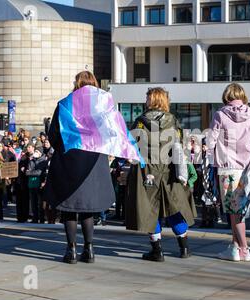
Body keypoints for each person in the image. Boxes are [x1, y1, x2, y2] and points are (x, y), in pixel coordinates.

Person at [45, 71, 120, 264]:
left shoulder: (64, 104)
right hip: (93, 162)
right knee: (87, 208)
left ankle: (71, 251)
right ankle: (89, 249)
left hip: (69, 160)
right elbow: (112, 132)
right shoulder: (102, 106)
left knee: (69, 208)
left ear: (77, 84)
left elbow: (53, 135)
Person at [207, 83, 250, 262]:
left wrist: (207, 159)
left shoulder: (220, 114)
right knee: (237, 209)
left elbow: (211, 140)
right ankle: (234, 247)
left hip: (228, 166)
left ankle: (244, 249)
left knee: (234, 210)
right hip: (247, 166)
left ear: (226, 96)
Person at [126, 87, 197, 262]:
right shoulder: (173, 121)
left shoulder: (140, 122)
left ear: (151, 100)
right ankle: (184, 248)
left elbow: (131, 145)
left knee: (150, 209)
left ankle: (157, 251)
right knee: (174, 207)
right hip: (169, 169)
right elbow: (179, 144)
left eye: (147, 98)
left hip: (147, 170)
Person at [26, 147, 47, 224]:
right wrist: (30, 172)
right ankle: (35, 218)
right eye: (35, 151)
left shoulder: (44, 161)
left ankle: (42, 218)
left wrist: (30, 172)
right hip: (32, 183)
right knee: (33, 202)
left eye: (37, 151)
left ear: (40, 153)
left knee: (40, 203)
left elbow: (39, 172)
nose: (35, 153)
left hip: (40, 184)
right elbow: (27, 171)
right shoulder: (31, 161)